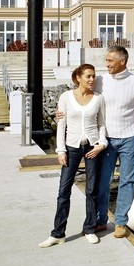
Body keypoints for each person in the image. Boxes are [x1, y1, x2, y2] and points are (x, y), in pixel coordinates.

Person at [58, 45, 134, 238]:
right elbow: (81, 97)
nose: (106, 64)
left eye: (110, 60)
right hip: (105, 139)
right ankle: (100, 220)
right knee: (102, 181)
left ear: (122, 61)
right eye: (106, 60)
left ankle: (121, 222)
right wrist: (62, 113)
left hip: (130, 137)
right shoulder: (99, 80)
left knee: (128, 180)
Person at [39, 64, 107, 248]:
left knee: (91, 190)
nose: (92, 79)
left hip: (93, 147)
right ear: (78, 78)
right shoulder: (66, 97)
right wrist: (61, 150)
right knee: (63, 191)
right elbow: (61, 124)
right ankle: (58, 233)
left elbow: (101, 124)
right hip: (72, 147)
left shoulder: (99, 98)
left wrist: (102, 144)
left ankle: (90, 229)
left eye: (93, 76)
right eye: (88, 76)